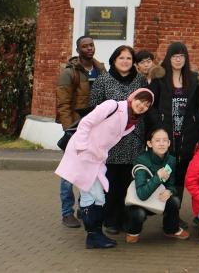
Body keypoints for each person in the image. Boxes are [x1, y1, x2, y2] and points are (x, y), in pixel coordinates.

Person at [55, 87, 154, 249]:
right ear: (132, 98)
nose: (142, 106)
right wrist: (82, 148)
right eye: (140, 101)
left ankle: (95, 234)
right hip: (83, 153)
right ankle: (93, 235)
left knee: (99, 197)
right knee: (91, 196)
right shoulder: (112, 106)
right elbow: (86, 122)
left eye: (147, 105)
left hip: (97, 159)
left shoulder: (131, 123)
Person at [89, 45, 148, 234]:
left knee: (128, 182)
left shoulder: (140, 80)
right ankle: (110, 219)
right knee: (111, 182)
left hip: (134, 140)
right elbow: (94, 108)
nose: (125, 61)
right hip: (111, 143)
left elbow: (147, 106)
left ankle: (125, 218)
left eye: (129, 58)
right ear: (114, 60)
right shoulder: (103, 80)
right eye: (121, 58)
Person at [56, 35, 105, 228]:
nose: (89, 48)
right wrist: (70, 131)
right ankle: (67, 213)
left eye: (91, 45)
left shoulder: (101, 70)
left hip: (96, 128)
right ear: (78, 50)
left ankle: (82, 207)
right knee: (69, 173)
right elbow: (63, 105)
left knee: (90, 171)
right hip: (76, 128)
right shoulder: (69, 73)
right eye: (85, 46)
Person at [148, 42, 199, 200]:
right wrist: (158, 124)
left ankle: (175, 207)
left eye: (181, 56)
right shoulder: (160, 78)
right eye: (174, 56)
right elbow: (151, 105)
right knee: (165, 170)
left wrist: (196, 127)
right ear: (169, 58)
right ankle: (162, 206)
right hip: (165, 133)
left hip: (187, 134)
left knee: (181, 171)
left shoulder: (194, 79)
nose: (178, 59)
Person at [125, 127, 190, 243]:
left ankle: (171, 229)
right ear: (150, 143)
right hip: (140, 202)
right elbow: (141, 195)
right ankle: (133, 231)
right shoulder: (141, 160)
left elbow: (171, 184)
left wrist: (169, 191)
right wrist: (158, 177)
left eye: (165, 140)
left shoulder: (171, 160)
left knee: (175, 201)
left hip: (158, 199)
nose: (161, 144)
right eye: (157, 140)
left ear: (169, 143)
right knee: (138, 213)